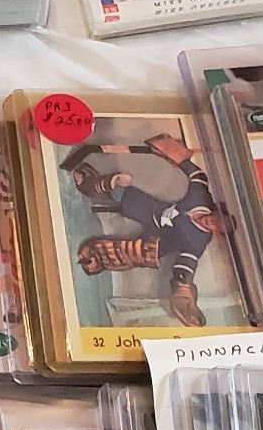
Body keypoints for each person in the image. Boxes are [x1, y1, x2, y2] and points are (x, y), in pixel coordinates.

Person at [67, 132, 221, 327]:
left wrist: (183, 289)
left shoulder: (199, 239)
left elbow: (188, 262)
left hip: (159, 241)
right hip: (153, 209)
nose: (211, 223)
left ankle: (95, 257)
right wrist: (175, 153)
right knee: (127, 191)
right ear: (217, 211)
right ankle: (95, 184)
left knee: (135, 252)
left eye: (217, 227)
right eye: (216, 219)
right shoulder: (201, 198)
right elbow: (197, 175)